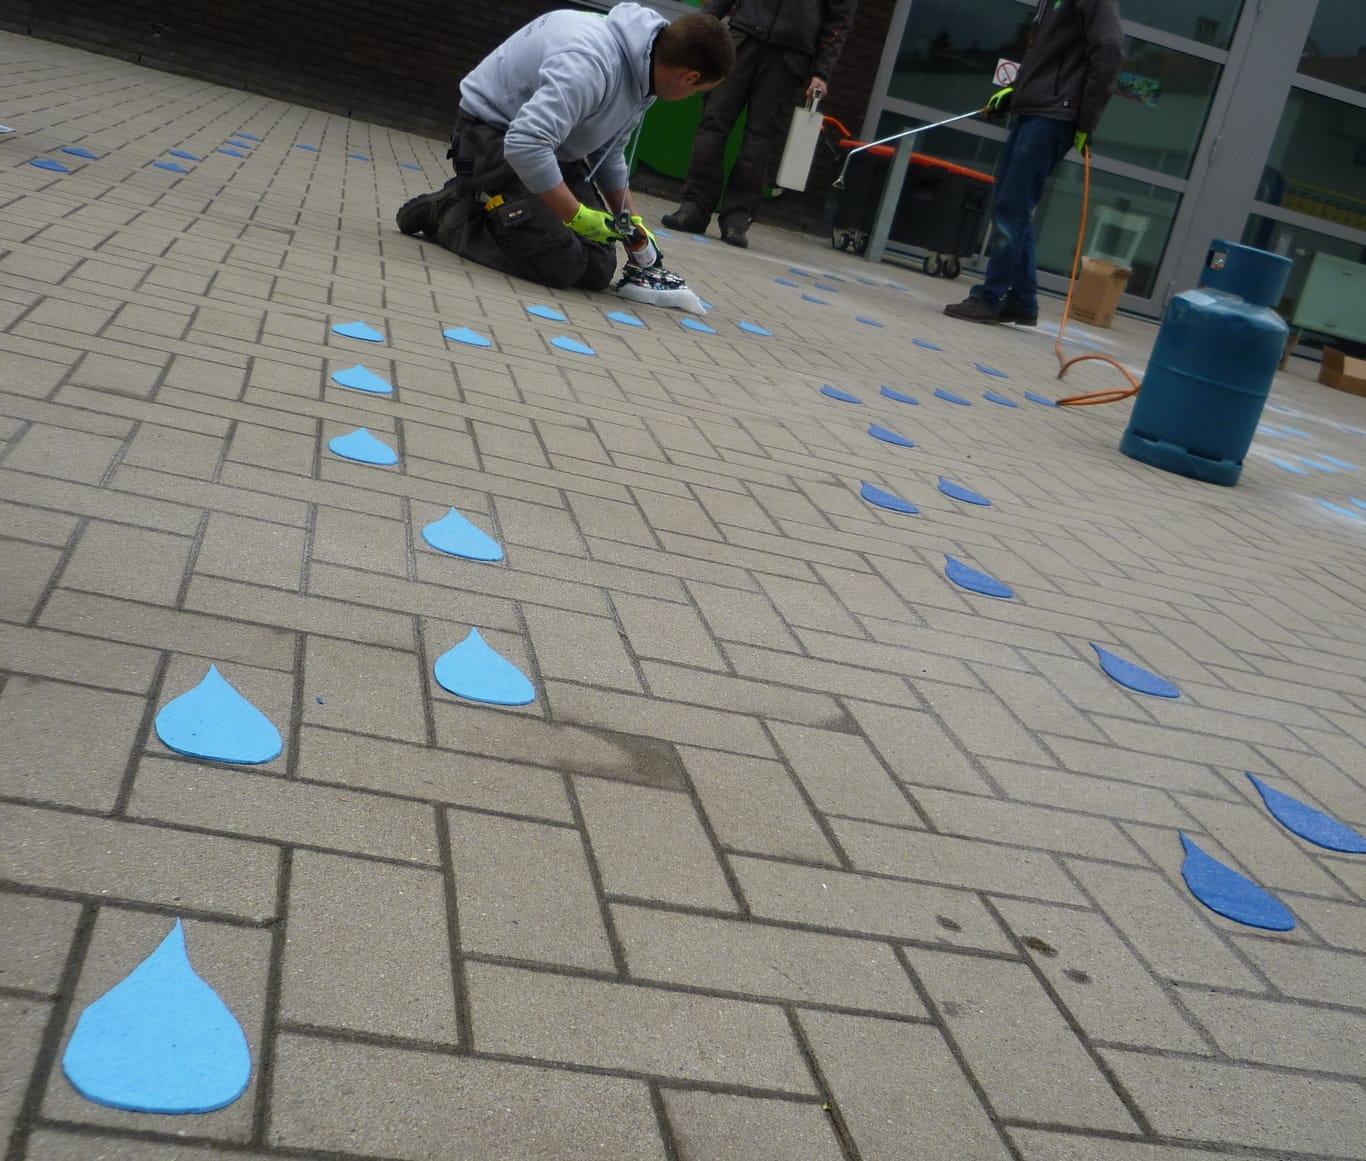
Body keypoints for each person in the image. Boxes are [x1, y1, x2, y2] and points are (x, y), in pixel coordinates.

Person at [396, 7, 733, 291]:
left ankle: (502, 212)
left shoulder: (645, 72)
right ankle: (453, 210)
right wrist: (574, 214)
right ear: (689, 77)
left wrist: (631, 223)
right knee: (560, 259)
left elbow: (610, 151)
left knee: (598, 267)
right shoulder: (590, 64)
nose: (694, 97)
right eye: (701, 90)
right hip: (489, 138)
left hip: (551, 149)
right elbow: (525, 144)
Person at [944, 0, 1123, 325]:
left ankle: (989, 297)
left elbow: (1109, 51)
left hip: (1054, 115)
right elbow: (1048, 58)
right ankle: (1023, 302)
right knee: (1010, 206)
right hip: (1034, 109)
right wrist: (1014, 93)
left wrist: (1086, 121)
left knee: (1011, 208)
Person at [661, 0, 857, 248]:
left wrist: (822, 72)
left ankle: (737, 218)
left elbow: (840, 20)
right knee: (713, 124)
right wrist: (699, 28)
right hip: (742, 39)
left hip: (790, 55)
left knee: (759, 139)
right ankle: (693, 208)